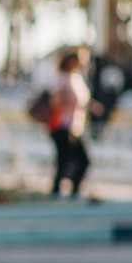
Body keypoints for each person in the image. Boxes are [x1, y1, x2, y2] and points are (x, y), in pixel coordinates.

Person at [47, 48, 98, 198]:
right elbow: (56, 101)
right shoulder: (63, 79)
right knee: (69, 160)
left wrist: (90, 106)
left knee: (74, 160)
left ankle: (70, 192)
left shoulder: (76, 78)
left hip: (75, 126)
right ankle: (59, 193)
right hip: (63, 125)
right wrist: (71, 104)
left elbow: (82, 100)